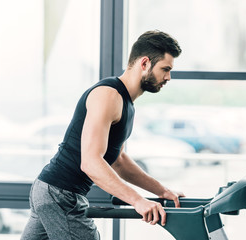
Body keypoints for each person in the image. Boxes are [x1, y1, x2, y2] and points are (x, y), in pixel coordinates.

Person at [21, 30, 184, 240]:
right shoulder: (108, 95)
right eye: (165, 69)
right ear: (145, 63)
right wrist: (138, 201)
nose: (168, 77)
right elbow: (90, 162)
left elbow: (118, 161)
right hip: (60, 194)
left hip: (51, 190)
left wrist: (162, 191)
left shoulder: (125, 102)